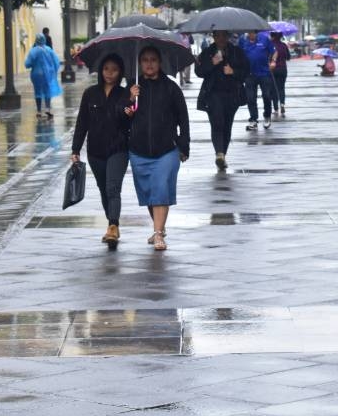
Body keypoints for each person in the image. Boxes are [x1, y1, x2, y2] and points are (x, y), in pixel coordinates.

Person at [125, 46, 189, 251]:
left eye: (153, 59)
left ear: (160, 63)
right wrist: (130, 100)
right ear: (139, 63)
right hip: (138, 150)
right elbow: (123, 118)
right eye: (145, 60)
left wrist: (183, 145)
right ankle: (158, 227)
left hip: (166, 150)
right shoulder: (133, 87)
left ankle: (159, 234)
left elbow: (183, 118)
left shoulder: (171, 88)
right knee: (150, 194)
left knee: (160, 188)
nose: (149, 64)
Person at [71, 54, 131, 246]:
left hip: (118, 149)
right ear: (101, 70)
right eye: (106, 69)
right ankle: (112, 224)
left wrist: (130, 110)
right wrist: (76, 149)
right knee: (104, 189)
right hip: (95, 151)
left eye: (114, 69)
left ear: (120, 72)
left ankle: (113, 226)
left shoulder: (126, 93)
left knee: (113, 187)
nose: (110, 73)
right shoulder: (90, 93)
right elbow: (82, 123)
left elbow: (129, 123)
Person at [196, 31, 248, 170]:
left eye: (223, 36)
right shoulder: (207, 52)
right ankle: (219, 153)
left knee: (227, 125)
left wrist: (233, 71)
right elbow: (199, 71)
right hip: (212, 95)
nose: (221, 39)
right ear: (213, 37)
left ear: (228, 37)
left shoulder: (237, 52)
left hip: (232, 94)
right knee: (217, 123)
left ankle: (222, 155)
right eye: (217, 36)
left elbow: (246, 71)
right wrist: (212, 63)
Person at [239, 30, 276, 130]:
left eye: (253, 33)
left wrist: (273, 61)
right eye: (249, 33)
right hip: (249, 74)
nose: (251, 35)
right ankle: (253, 119)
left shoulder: (264, 39)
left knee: (267, 96)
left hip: (264, 73)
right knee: (250, 98)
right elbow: (238, 55)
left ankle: (267, 116)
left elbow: (274, 52)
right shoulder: (242, 40)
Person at [25, 33, 63, 119]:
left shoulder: (33, 51)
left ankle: (39, 111)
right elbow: (56, 62)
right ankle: (47, 109)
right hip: (47, 74)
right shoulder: (49, 50)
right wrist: (53, 71)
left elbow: (27, 64)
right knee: (47, 90)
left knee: (37, 91)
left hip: (36, 74)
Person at [270, 31, 291, 117]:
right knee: (281, 88)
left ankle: (275, 108)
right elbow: (288, 57)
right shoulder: (283, 45)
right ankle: (282, 104)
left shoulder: (270, 45)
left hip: (273, 69)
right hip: (283, 69)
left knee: (274, 89)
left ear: (272, 36)